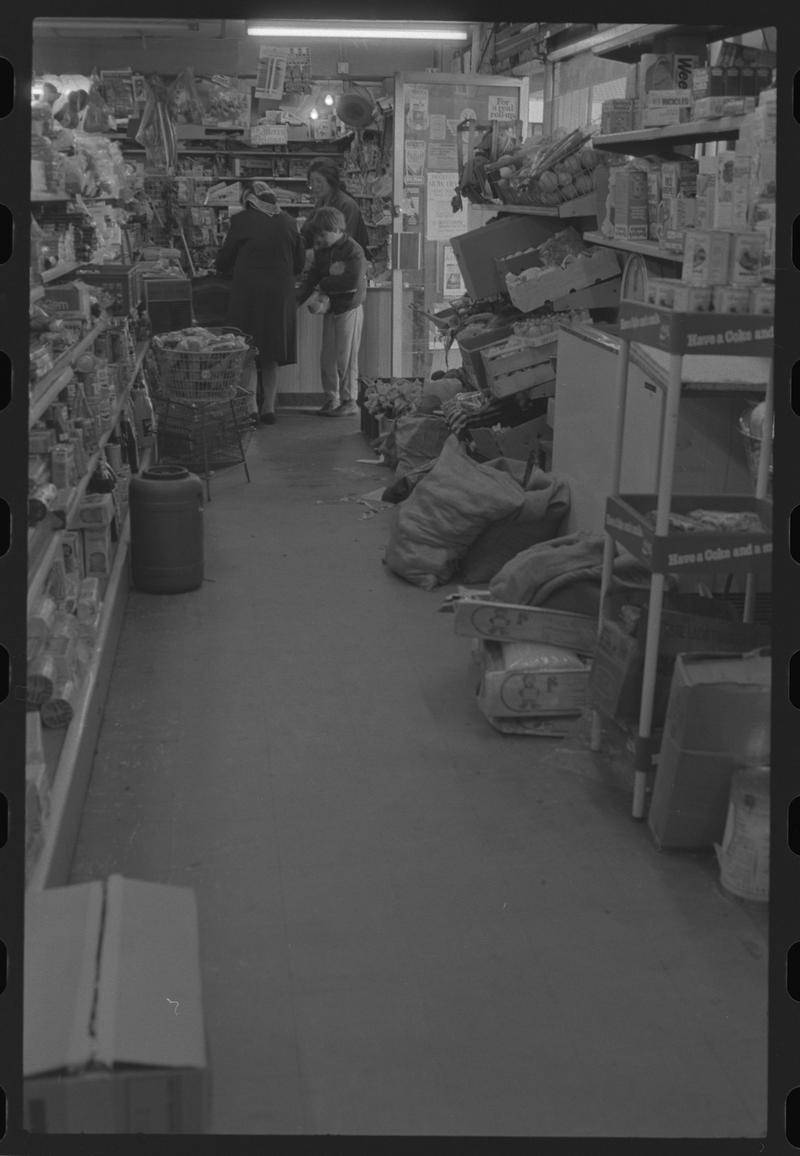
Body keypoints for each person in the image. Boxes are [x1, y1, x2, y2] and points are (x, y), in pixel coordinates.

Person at [215, 180, 306, 425]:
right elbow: (299, 264)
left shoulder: (241, 222)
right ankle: (269, 407)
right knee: (271, 352)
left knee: (246, 349)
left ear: (249, 201)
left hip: (248, 294)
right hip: (280, 295)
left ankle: (250, 406)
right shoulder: (289, 222)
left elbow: (223, 262)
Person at [297, 206, 367, 417]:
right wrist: (299, 299)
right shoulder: (323, 250)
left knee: (346, 356)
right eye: (317, 234)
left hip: (349, 307)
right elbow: (314, 276)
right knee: (327, 356)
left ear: (336, 228)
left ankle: (349, 400)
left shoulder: (353, 250)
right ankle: (331, 397)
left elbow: (351, 281)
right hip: (331, 308)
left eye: (323, 234)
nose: (319, 239)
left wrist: (324, 284)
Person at [301, 158, 370, 256]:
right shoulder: (321, 203)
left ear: (331, 181)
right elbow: (307, 232)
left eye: (319, 181)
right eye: (311, 182)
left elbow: (345, 244)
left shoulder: (347, 205)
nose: (314, 186)